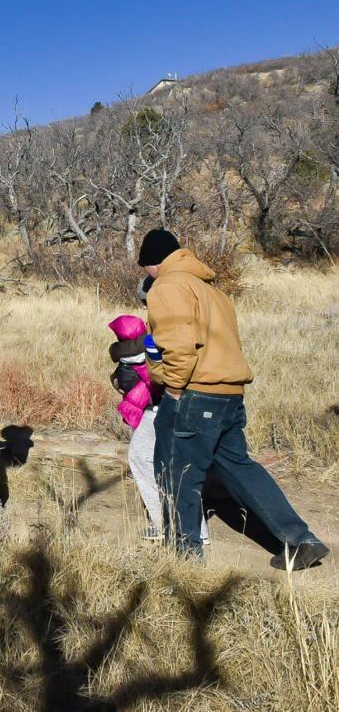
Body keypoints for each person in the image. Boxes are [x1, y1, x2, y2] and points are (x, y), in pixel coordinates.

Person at [138, 228, 329, 569]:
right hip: (229, 394)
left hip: (194, 393)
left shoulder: (168, 286)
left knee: (178, 473)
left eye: (146, 268)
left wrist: (173, 389)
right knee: (241, 469)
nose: (147, 276)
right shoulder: (210, 290)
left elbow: (179, 348)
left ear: (153, 262)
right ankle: (301, 540)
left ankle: (184, 559)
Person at [108, 313, 209, 545]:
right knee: (176, 465)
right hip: (179, 407)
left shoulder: (133, 358)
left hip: (159, 412)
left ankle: (172, 526)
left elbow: (150, 384)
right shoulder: (159, 342)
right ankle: (192, 530)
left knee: (147, 460)